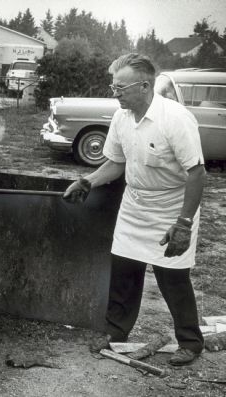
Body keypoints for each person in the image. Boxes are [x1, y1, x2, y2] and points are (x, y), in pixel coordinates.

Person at [64, 53, 206, 366]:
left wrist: (183, 224)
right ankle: (116, 333)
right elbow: (116, 163)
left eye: (120, 88)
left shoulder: (175, 118)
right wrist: (88, 181)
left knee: (173, 277)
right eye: (113, 87)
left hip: (172, 206)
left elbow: (197, 173)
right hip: (135, 204)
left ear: (144, 86)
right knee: (124, 270)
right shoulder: (121, 118)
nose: (115, 93)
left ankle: (190, 343)